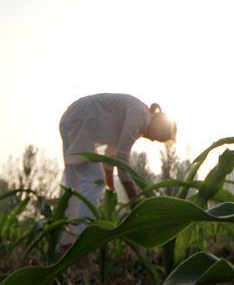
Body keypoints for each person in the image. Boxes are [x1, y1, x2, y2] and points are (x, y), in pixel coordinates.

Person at [58, 93, 176, 247]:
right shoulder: (139, 116)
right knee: (94, 181)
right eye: (158, 138)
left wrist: (110, 189)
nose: (153, 140)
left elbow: (110, 154)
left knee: (75, 185)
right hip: (79, 122)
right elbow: (121, 160)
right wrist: (135, 202)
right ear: (158, 127)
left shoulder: (139, 119)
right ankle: (80, 243)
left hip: (73, 119)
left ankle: (65, 243)